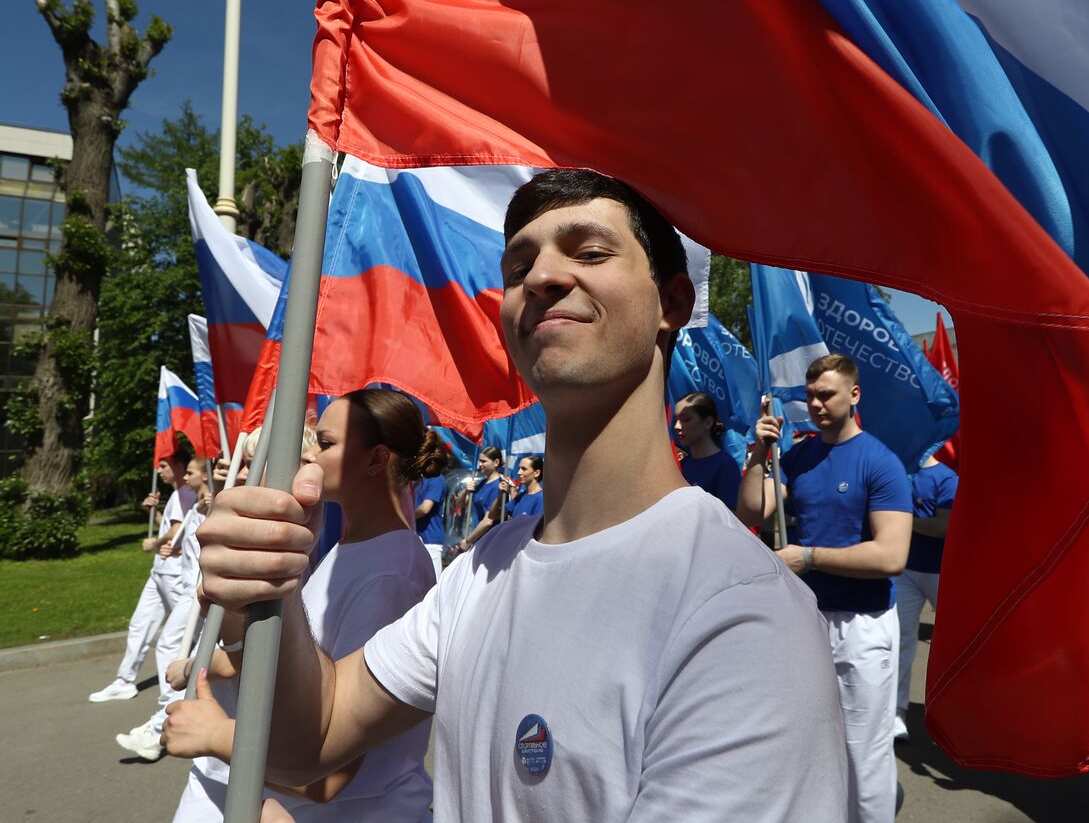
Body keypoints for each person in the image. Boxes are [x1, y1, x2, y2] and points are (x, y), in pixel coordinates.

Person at [195, 168, 847, 821]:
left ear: (672, 303)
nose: (540, 278)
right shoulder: (478, 573)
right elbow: (313, 737)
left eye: (590, 252)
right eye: (517, 267)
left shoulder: (743, 614)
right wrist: (270, 587)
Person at [162, 389, 444, 821]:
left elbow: (327, 777)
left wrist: (216, 735)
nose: (308, 454)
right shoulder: (351, 550)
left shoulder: (392, 571)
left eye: (326, 444)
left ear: (376, 460)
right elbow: (301, 673)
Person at [737, 352, 913, 823]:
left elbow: (891, 555)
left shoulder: (881, 462)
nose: (815, 404)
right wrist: (758, 453)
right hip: (806, 624)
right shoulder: (799, 456)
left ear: (853, 395)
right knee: (812, 744)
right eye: (811, 395)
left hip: (863, 625)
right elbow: (753, 512)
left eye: (826, 394)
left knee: (863, 753)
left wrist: (810, 557)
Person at [116, 455, 213, 760]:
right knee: (180, 647)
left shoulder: (208, 505)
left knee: (173, 646)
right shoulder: (196, 506)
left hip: (198, 592)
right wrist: (171, 541)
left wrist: (159, 543)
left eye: (192, 472)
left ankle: (163, 722)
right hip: (189, 587)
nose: (186, 477)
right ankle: (164, 720)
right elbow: (185, 536)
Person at [89, 451, 196, 703]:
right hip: (159, 572)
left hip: (174, 574)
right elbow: (172, 526)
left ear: (179, 466)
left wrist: (155, 542)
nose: (159, 470)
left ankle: (177, 697)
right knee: (140, 625)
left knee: (184, 636)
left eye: (163, 465)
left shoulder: (186, 493)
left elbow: (177, 530)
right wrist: (156, 511)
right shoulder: (177, 494)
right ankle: (124, 680)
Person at [892, 452, 957, 743]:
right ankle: (896, 713)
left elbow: (943, 526)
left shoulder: (946, 477)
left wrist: (902, 520)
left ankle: (953, 716)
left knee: (954, 645)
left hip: (944, 573)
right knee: (900, 641)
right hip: (905, 570)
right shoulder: (897, 469)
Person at [674, 390, 741, 510]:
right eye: (676, 420)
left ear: (708, 422)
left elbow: (730, 518)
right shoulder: (681, 465)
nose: (677, 426)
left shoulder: (725, 465)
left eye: (686, 419)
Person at [411, 465, 448, 579]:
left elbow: (425, 508)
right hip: (414, 540)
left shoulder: (437, 479)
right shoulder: (417, 480)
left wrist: (404, 517)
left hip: (430, 543)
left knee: (432, 587)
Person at [503, 454, 545, 519]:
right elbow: (502, 513)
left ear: (536, 473)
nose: (519, 472)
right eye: (519, 468)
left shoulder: (541, 499)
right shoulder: (521, 496)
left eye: (524, 469)